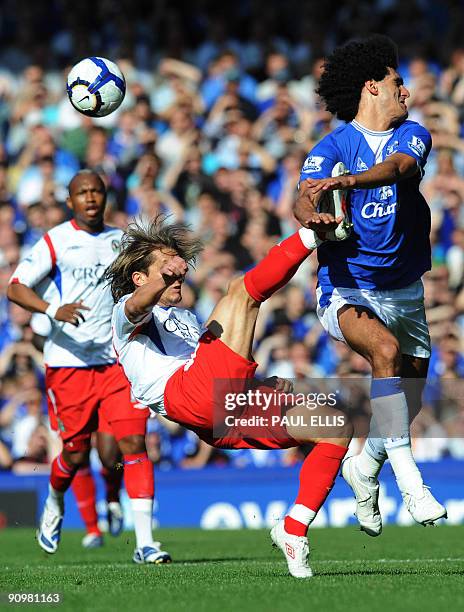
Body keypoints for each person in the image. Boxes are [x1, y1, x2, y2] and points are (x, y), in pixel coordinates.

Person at [106, 215, 353, 579]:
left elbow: (212, 361)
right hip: (186, 396)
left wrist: (259, 386)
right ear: (141, 278)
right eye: (166, 268)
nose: (178, 274)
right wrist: (162, 279)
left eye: (179, 268)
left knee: (335, 427)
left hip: (223, 414)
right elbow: (136, 307)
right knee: (242, 292)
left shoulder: (186, 318)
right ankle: (312, 234)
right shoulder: (127, 311)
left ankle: (294, 529)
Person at [294, 35, 447, 536]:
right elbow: (304, 196)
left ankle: (364, 468)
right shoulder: (332, 146)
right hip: (346, 286)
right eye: (397, 82)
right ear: (372, 86)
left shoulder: (414, 134)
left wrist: (350, 183)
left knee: (410, 394)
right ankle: (412, 485)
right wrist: (313, 215)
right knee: (384, 352)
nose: (407, 90)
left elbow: (399, 170)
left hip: (402, 288)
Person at [7, 170, 170, 565]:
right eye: (83, 192)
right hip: (69, 364)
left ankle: (145, 542)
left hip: (117, 361)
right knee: (75, 455)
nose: (91, 198)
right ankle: (56, 497)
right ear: (70, 200)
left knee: (133, 444)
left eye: (97, 190)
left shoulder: (122, 241)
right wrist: (52, 309)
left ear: (105, 197)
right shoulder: (56, 241)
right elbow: (15, 286)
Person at [30, 312, 124, 548]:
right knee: (77, 454)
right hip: (71, 378)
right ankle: (92, 529)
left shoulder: (109, 284)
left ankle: (113, 496)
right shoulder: (56, 286)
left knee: (111, 456)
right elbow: (37, 335)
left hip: (107, 373)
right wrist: (66, 345)